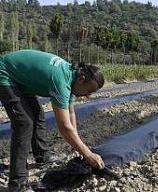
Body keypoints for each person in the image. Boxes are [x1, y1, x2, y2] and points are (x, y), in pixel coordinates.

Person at [0, 49, 105, 192]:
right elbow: (64, 127)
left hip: (20, 80)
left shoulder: (72, 77)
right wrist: (87, 153)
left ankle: (42, 156)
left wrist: (79, 147)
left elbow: (70, 113)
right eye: (89, 91)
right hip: (5, 74)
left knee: (37, 115)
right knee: (24, 123)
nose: (88, 96)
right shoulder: (61, 81)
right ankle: (17, 183)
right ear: (82, 79)